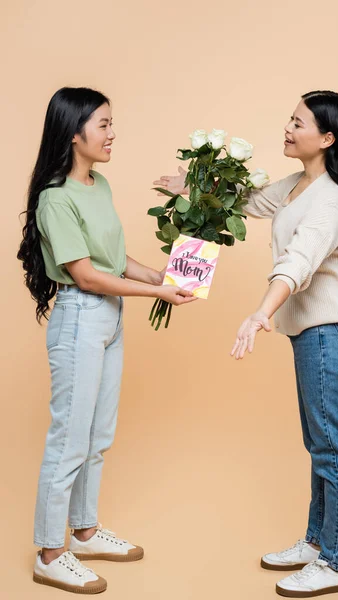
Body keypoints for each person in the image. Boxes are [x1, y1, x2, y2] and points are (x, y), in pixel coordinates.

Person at [153, 90, 338, 598]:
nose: (288, 128)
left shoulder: (332, 199)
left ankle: (335, 563)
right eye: (290, 119)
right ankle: (318, 543)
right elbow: (251, 203)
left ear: (327, 138)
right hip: (315, 337)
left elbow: (298, 262)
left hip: (331, 335)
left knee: (335, 451)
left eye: (298, 123)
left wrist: (260, 312)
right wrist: (188, 187)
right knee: (320, 446)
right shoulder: (299, 185)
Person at [17, 86, 197, 595]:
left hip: (111, 318)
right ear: (74, 133)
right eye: (103, 124)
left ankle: (86, 532)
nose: (112, 133)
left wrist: (163, 275)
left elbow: (115, 263)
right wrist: (155, 290)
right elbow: (85, 275)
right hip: (80, 318)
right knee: (68, 441)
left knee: (98, 437)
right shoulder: (55, 198)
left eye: (111, 123)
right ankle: (51, 554)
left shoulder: (100, 185)